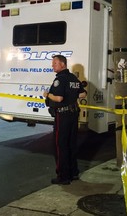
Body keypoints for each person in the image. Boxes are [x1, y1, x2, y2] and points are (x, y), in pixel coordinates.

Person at [43, 55, 87, 185]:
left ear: (62, 64)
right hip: (73, 115)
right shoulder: (73, 78)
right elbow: (83, 93)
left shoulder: (60, 79)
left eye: (55, 63)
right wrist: (72, 95)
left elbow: (58, 98)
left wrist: (47, 94)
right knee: (71, 144)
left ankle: (63, 176)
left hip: (63, 116)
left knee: (60, 145)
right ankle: (73, 173)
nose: (53, 65)